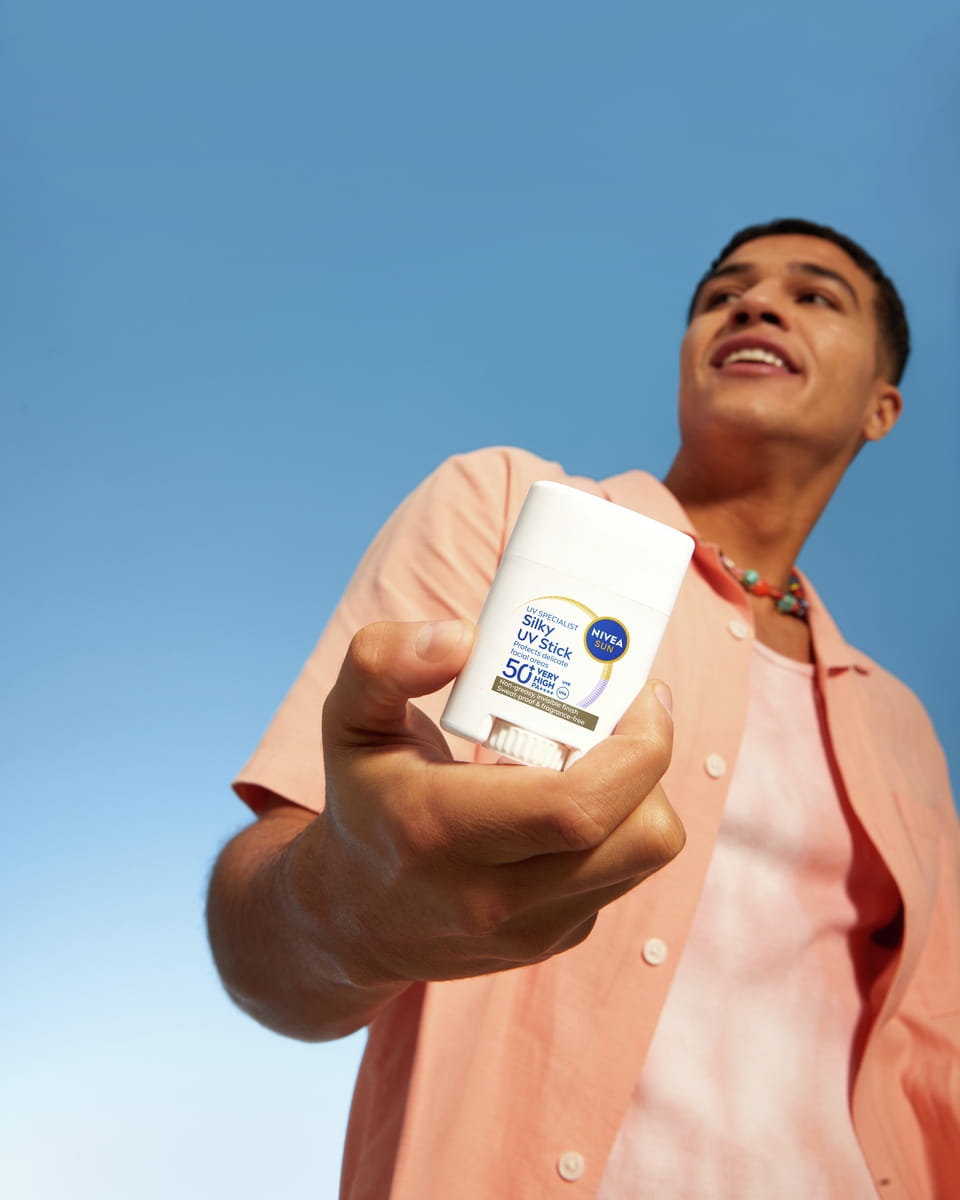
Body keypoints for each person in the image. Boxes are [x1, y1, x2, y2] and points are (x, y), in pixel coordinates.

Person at [206, 219, 960, 1198]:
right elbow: (268, 948)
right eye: (722, 293)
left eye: (814, 295)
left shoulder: (900, 726)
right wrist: (353, 904)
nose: (755, 303)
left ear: (882, 407)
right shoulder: (507, 509)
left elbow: (934, 1048)